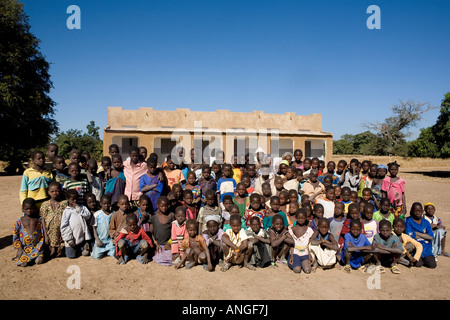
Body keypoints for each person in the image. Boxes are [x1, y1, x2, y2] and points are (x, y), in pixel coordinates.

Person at [13, 198, 46, 267]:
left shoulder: (39, 219)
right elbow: (15, 236)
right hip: (25, 248)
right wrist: (19, 248)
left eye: (31, 208)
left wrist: (42, 244)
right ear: (23, 209)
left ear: (35, 208)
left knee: (39, 261)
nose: (29, 211)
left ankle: (34, 258)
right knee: (24, 264)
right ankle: (27, 258)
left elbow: (43, 233)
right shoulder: (19, 221)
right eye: (27, 209)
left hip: (37, 247)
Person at [60, 190, 92, 259]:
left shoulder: (82, 207)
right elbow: (64, 226)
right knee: (71, 256)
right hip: (72, 239)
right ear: (67, 199)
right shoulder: (67, 211)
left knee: (85, 253)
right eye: (73, 199)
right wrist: (69, 239)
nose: (75, 201)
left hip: (82, 238)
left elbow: (88, 216)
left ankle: (83, 247)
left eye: (76, 198)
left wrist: (79, 209)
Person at [39, 181, 68, 258]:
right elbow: (42, 219)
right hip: (49, 232)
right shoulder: (45, 204)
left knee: (61, 251)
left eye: (57, 191)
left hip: (61, 231)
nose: (55, 193)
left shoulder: (64, 203)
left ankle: (59, 250)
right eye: (52, 191)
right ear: (48, 192)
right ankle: (52, 250)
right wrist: (45, 234)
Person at [405, 202, 436, 268]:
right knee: (418, 264)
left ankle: (424, 259)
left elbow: (431, 237)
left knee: (432, 265)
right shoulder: (408, 221)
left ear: (422, 211)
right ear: (412, 211)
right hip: (416, 247)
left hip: (426, 248)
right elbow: (411, 236)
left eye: (419, 211)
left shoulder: (426, 222)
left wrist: (417, 233)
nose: (418, 213)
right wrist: (424, 235)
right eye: (416, 211)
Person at [149, 196, 175, 266]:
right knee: (157, 257)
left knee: (172, 257)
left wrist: (169, 242)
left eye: (166, 206)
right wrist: (156, 243)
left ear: (168, 205)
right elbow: (152, 233)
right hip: (158, 244)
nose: (164, 208)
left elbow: (174, 231)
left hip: (168, 244)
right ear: (158, 205)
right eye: (162, 206)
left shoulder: (171, 216)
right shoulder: (154, 217)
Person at [91, 194, 116, 260]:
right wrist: (97, 239)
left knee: (114, 254)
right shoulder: (97, 214)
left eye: (108, 203)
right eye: (104, 203)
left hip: (110, 240)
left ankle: (107, 251)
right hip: (101, 239)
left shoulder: (114, 214)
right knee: (96, 257)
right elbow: (94, 228)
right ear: (101, 204)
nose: (106, 205)